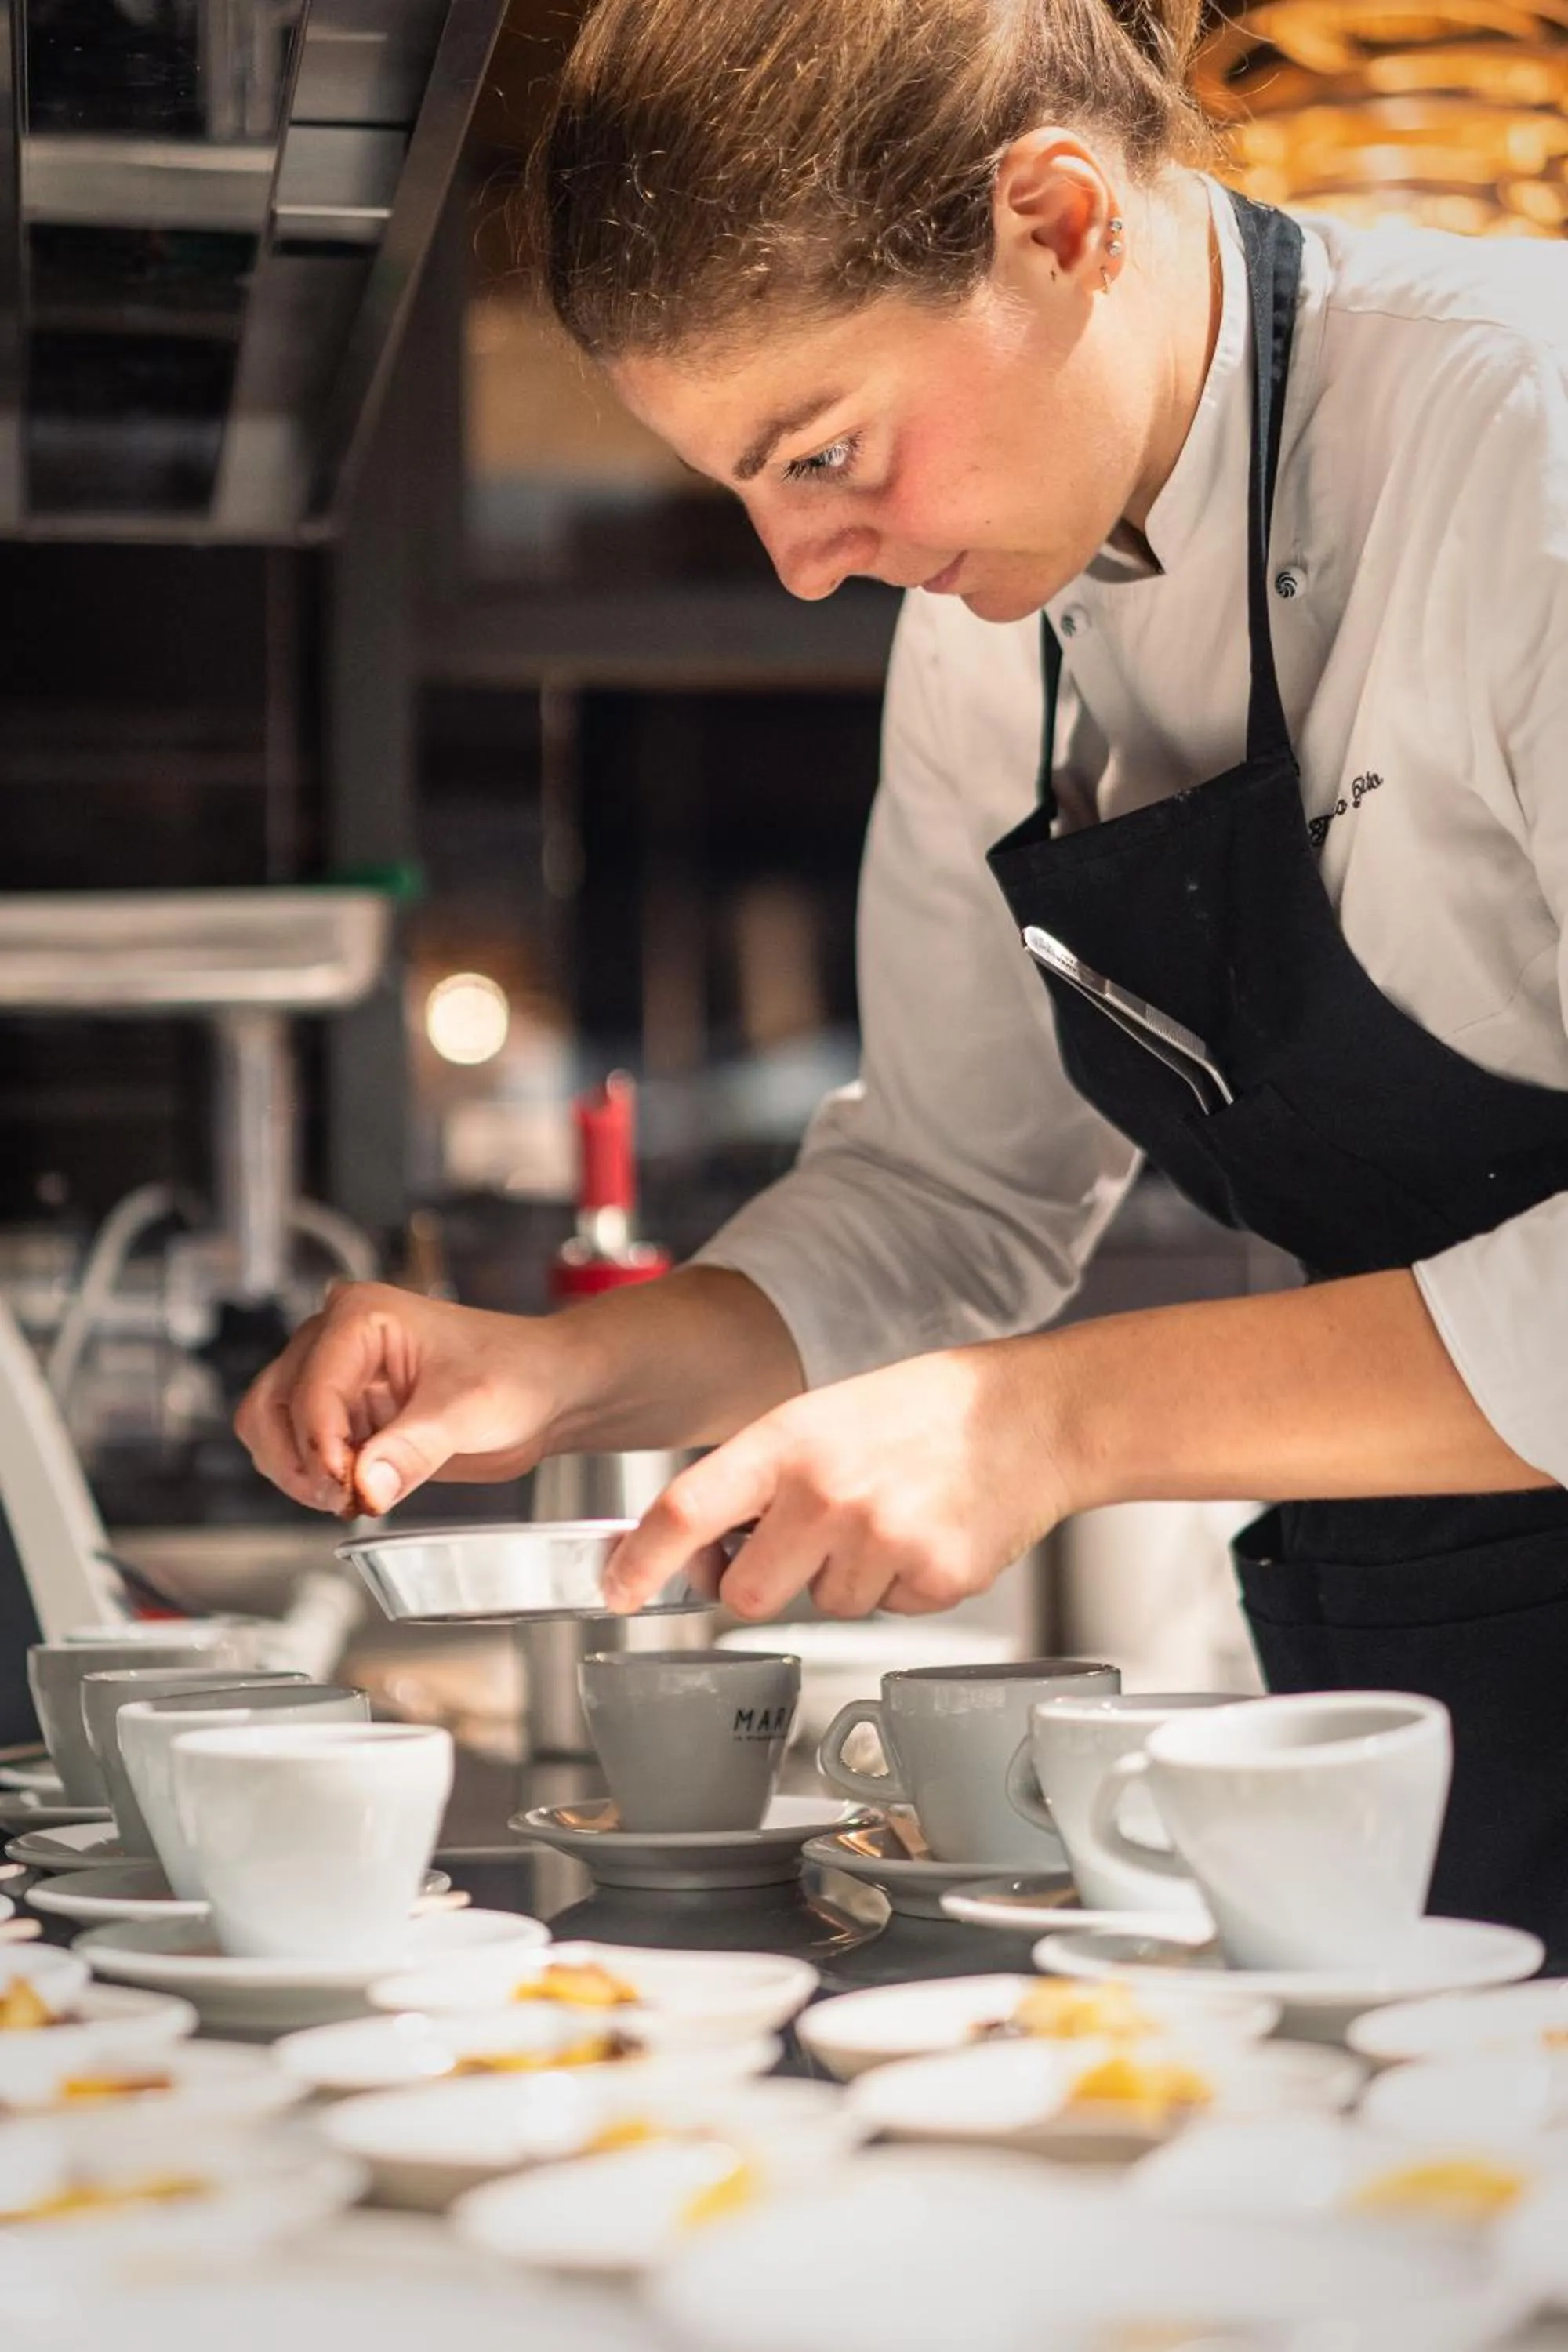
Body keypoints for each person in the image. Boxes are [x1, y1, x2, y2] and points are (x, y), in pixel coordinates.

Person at [239, 0, 1568, 1948]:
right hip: (1455, 1651)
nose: (799, 563)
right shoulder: (992, 621)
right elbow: (949, 1194)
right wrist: (562, 1376)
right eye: (747, 491)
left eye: (824, 450)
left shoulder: (1518, 445)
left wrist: (1054, 1420)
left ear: (1055, 220)